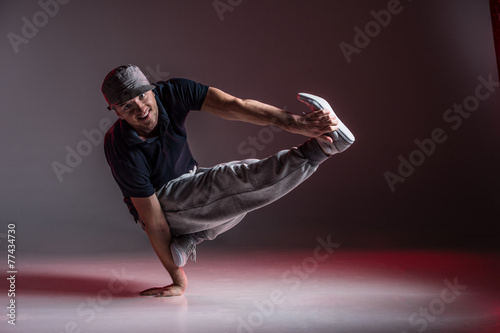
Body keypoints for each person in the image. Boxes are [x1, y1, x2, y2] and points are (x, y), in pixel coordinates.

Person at [101, 64, 355, 297]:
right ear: (117, 112)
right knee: (233, 183)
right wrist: (178, 280)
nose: (140, 108)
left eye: (142, 96)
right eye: (127, 106)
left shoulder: (173, 92)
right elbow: (153, 219)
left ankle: (190, 239)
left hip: (189, 180)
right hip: (162, 205)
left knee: (243, 183)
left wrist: (294, 122)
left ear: (152, 89)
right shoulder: (121, 148)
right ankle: (322, 149)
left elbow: (235, 105)